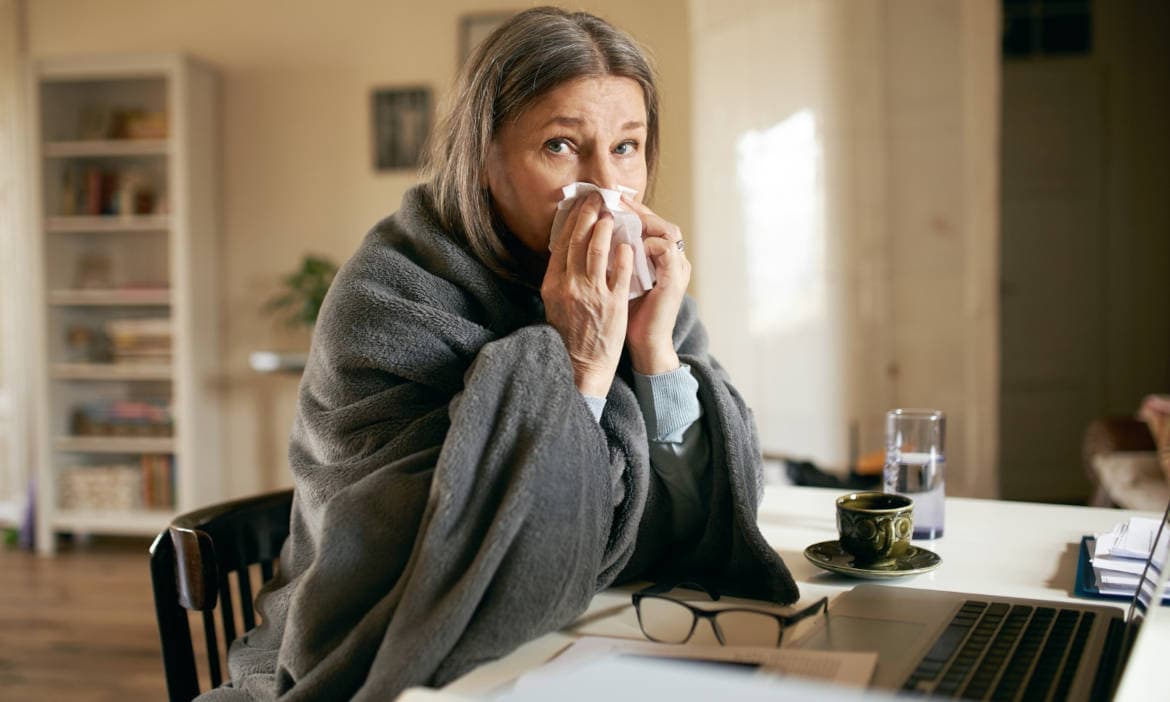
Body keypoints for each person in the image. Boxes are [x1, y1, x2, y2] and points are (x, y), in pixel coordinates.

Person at [204, 8, 797, 700]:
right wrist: (580, 360)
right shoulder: (391, 293)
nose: (607, 185)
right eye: (560, 146)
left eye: (628, 147)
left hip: (590, 636)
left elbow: (700, 523)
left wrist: (654, 350)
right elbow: (455, 559)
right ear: (484, 159)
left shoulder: (638, 291)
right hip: (404, 646)